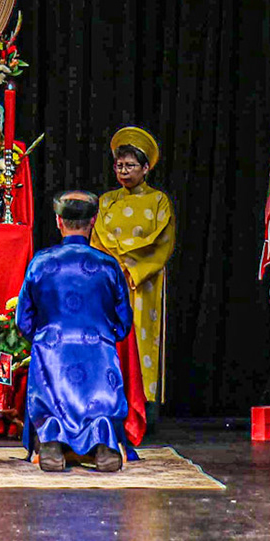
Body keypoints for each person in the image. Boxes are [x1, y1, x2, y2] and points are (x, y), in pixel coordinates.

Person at [17, 191, 134, 473]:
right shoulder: (108, 265)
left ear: (58, 221)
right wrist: (106, 337)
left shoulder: (40, 262)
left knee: (50, 387)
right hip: (98, 348)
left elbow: (24, 319)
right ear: (93, 221)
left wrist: (42, 339)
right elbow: (124, 320)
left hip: (52, 350)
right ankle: (104, 443)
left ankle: (52, 441)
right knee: (101, 394)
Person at [94, 126, 176, 410]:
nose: (123, 171)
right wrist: (116, 267)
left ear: (145, 168)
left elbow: (161, 241)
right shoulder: (106, 201)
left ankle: (145, 405)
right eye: (119, 166)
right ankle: (110, 399)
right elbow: (98, 239)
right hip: (111, 280)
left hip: (144, 281)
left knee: (143, 338)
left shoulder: (158, 201)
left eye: (130, 166)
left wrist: (132, 268)